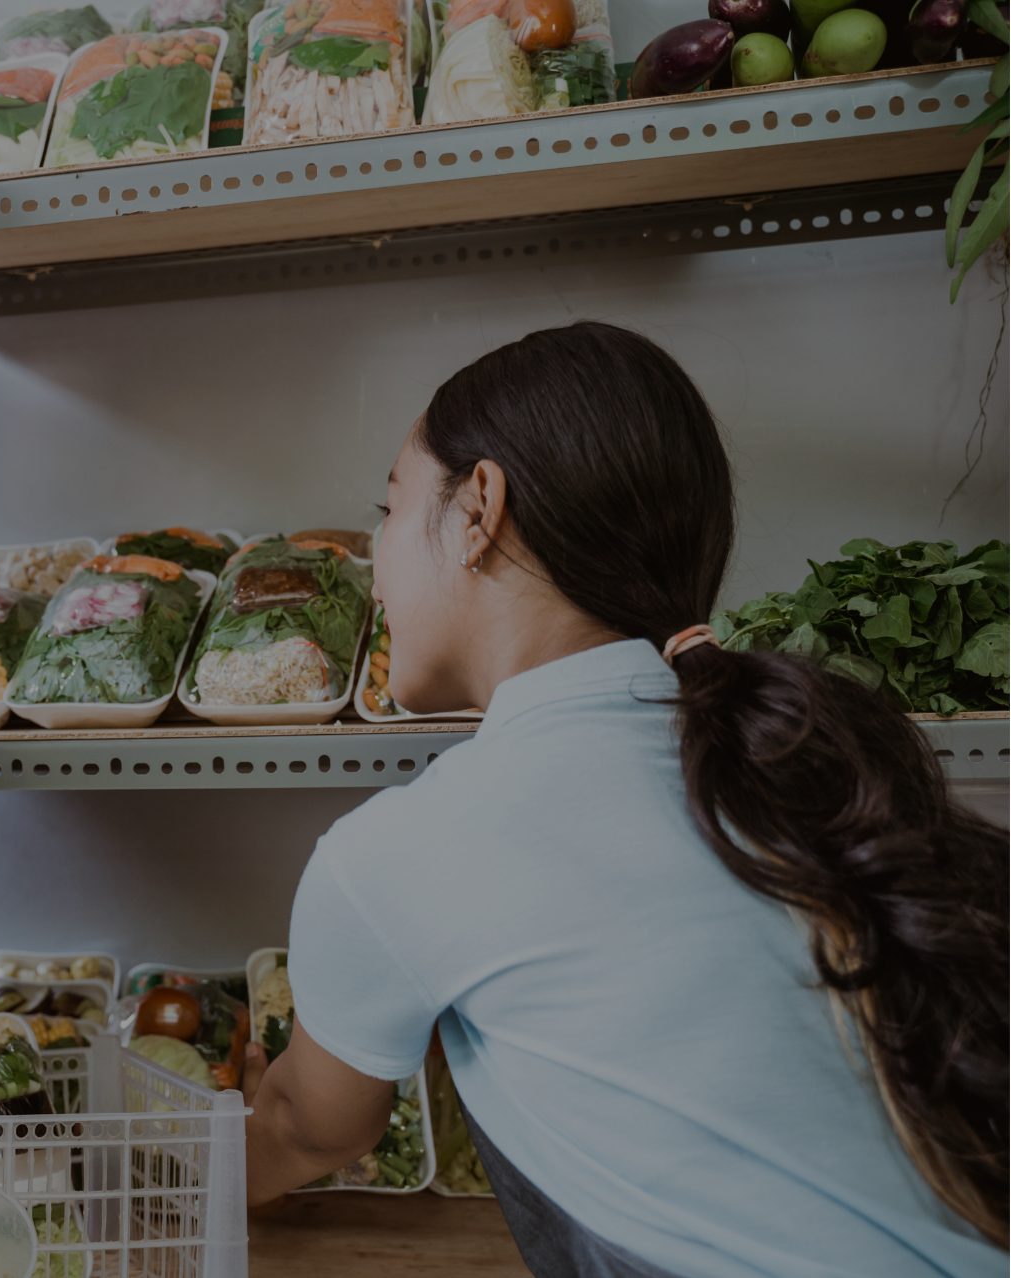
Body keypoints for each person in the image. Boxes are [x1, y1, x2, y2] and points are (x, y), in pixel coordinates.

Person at [240, 322, 1008, 1276]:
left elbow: (305, 1128)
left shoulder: (408, 847)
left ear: (479, 508)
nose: (374, 563)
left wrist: (170, 1179)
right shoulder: (777, 765)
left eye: (388, 511)